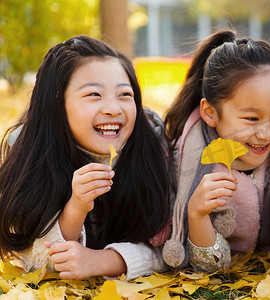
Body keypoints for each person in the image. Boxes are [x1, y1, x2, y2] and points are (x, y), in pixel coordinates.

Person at [0, 35, 174, 280]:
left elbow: (172, 248)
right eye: (94, 94)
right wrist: (76, 207)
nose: (113, 108)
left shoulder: (152, 142)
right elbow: (31, 255)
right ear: (57, 106)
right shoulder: (29, 150)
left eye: (125, 94)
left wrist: (101, 261)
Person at [162, 30, 270, 271]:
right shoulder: (187, 162)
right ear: (210, 113)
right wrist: (197, 215)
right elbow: (211, 266)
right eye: (252, 118)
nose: (267, 133)